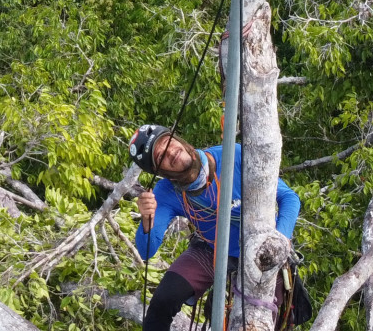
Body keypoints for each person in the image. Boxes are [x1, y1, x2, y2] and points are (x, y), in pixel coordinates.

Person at [128, 124, 300, 331]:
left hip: (261, 248)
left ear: (179, 139)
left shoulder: (233, 156)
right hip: (212, 248)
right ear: (160, 172)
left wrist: (279, 240)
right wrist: (147, 219)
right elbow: (146, 251)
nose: (171, 152)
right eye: (161, 156)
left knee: (260, 321)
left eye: (169, 142)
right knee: (162, 303)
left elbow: (288, 197)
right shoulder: (165, 192)